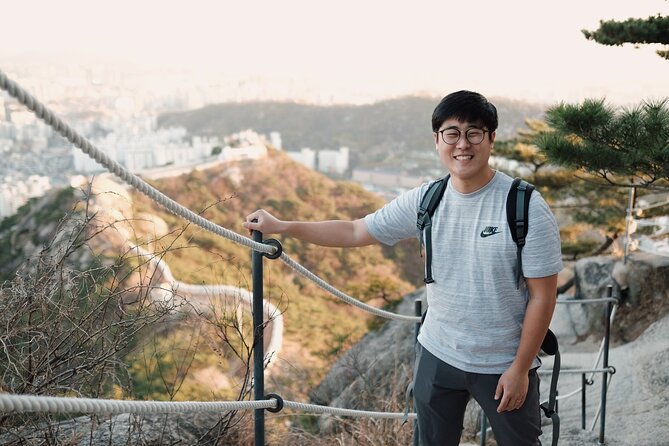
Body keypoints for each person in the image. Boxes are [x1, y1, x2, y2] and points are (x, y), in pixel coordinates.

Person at [243, 90, 562, 446]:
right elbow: (355, 230)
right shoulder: (427, 200)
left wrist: (519, 369)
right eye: (451, 133)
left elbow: (543, 296)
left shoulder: (524, 205)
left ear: (491, 139)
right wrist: (284, 226)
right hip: (438, 356)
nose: (463, 144)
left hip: (503, 362)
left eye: (474, 132)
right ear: (437, 140)